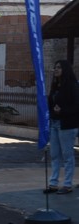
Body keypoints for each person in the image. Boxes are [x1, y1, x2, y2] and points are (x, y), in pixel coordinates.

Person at [44, 59, 79, 194]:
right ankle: (53, 183)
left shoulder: (72, 85)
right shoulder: (55, 86)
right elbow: (51, 104)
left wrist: (62, 111)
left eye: (59, 67)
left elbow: (76, 106)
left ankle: (68, 184)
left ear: (65, 69)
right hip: (55, 123)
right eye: (55, 67)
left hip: (67, 125)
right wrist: (53, 111)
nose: (56, 70)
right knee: (54, 155)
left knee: (67, 155)